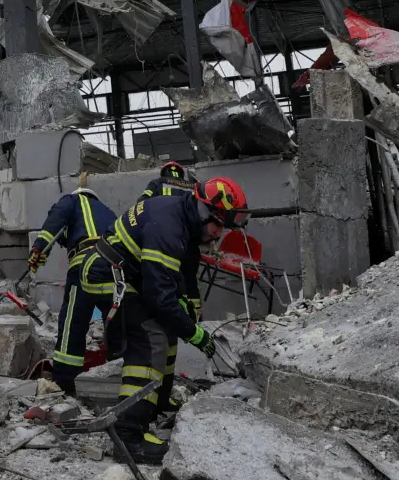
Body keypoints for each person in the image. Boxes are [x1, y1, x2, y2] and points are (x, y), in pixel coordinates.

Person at [104, 175, 247, 464]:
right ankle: (128, 435)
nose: (218, 234)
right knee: (150, 338)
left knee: (165, 332)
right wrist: (193, 332)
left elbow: (180, 274)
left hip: (131, 273)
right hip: (109, 272)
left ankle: (156, 403)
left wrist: (186, 306)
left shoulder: (183, 218)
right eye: (218, 225)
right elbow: (159, 298)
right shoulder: (169, 226)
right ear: (205, 211)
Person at [27, 183, 118, 396]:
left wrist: (39, 248)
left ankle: (65, 381)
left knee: (72, 322)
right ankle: (118, 371)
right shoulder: (109, 213)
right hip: (115, 268)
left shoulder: (74, 200)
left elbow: (57, 218)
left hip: (86, 262)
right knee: (115, 321)